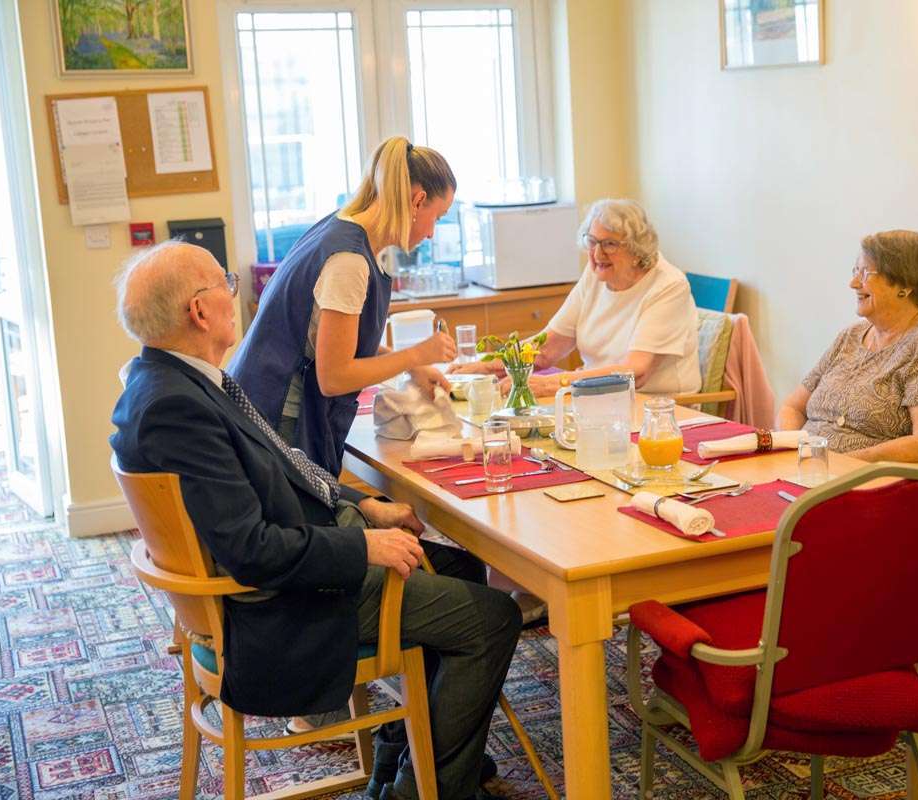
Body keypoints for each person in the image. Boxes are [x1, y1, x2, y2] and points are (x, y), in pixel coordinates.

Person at [110, 241, 520, 800]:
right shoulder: (176, 408)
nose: (236, 297)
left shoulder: (171, 383)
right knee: (496, 617)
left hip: (292, 573)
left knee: (464, 568)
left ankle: (407, 764)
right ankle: (430, 790)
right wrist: (366, 549)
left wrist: (364, 506)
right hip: (279, 608)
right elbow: (251, 550)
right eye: (224, 284)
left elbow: (286, 465)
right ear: (199, 313)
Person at [228, 136, 459, 475]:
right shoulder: (349, 261)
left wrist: (413, 368)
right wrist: (416, 355)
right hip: (276, 418)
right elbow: (334, 377)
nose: (432, 234)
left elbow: (340, 340)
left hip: (257, 403)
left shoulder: (339, 228)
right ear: (417, 200)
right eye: (437, 217)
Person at [449, 198, 700, 397]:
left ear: (636, 250)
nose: (597, 253)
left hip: (660, 411)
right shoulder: (596, 276)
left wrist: (554, 384)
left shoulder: (668, 286)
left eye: (610, 244)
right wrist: (486, 366)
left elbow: (637, 372)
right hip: (597, 399)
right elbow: (547, 347)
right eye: (592, 241)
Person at [776, 230, 918, 462]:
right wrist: (793, 450)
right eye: (855, 271)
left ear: (904, 285)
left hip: (876, 480)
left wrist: (840, 465)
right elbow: (792, 407)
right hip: (810, 470)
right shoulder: (851, 336)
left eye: (866, 273)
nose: (853, 283)